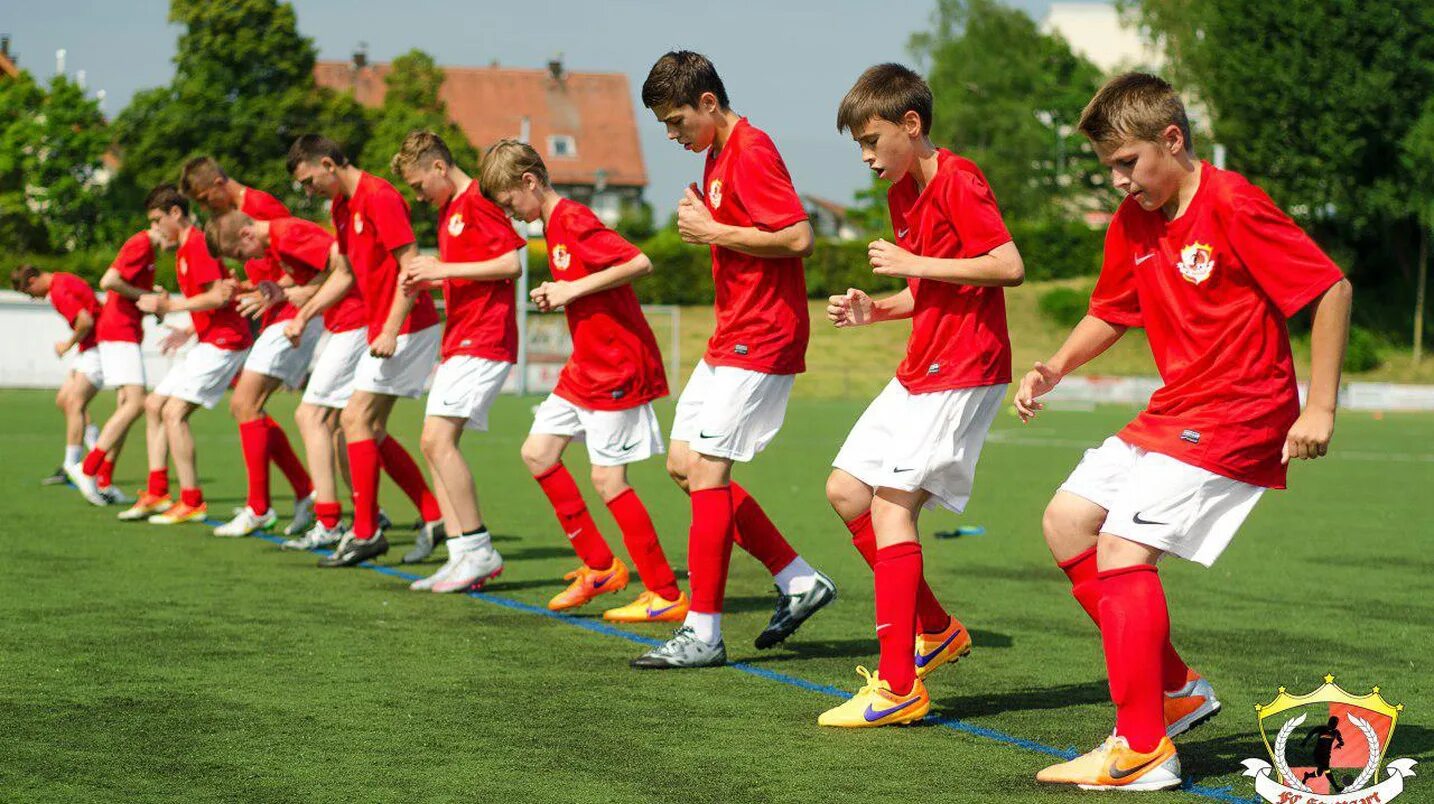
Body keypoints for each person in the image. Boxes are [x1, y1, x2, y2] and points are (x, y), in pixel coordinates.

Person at [1021, 73, 1352, 791]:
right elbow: (1113, 309)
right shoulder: (1133, 220)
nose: (1116, 181)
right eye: (1107, 166)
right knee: (1067, 522)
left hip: (1242, 410)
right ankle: (1174, 692)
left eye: (1126, 163)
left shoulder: (1233, 202)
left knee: (1122, 544)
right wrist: (1054, 367)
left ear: (1171, 141)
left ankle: (1143, 750)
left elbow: (1330, 288)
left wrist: (1318, 406)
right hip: (1178, 409)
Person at [818, 63, 1024, 727]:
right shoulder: (901, 193)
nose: (866, 156)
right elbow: (924, 292)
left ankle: (899, 686)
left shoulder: (958, 179)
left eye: (873, 140)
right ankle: (934, 630)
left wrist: (915, 265)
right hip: (923, 367)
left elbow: (1007, 265)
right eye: (858, 145)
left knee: (889, 506)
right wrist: (872, 310)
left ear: (912, 125)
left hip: (967, 367)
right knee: (847, 491)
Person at [481, 139, 690, 622]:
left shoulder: (572, 219)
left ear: (529, 182)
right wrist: (563, 293)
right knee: (537, 453)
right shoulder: (551, 226)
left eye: (513, 203)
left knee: (607, 478)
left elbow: (639, 262)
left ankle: (665, 592)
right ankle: (599, 567)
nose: (514, 214)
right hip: (586, 367)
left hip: (618, 367)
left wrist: (572, 288)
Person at [286, 134, 445, 568]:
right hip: (387, 327)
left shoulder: (379, 196)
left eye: (307, 181)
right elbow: (347, 275)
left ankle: (365, 530)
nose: (308, 190)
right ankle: (433, 516)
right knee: (364, 427)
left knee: (352, 418)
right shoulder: (342, 206)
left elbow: (410, 264)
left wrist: (391, 329)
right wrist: (305, 313)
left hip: (410, 325)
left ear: (327, 164)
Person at [390, 130, 522, 592]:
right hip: (461, 338)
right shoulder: (449, 209)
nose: (418, 196)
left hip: (485, 339)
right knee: (432, 443)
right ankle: (460, 553)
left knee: (438, 441)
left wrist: (441, 270)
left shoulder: (479, 202)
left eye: (418, 184)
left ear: (439, 168)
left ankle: (479, 549)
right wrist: (431, 277)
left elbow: (510, 264)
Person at [181, 157, 316, 538]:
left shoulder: (260, 209)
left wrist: (286, 298)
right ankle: (308, 494)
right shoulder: (241, 215)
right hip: (279, 309)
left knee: (247, 404)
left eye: (208, 199)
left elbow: (299, 262)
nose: (209, 208)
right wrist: (240, 287)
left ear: (221, 182)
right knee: (252, 406)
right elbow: (267, 274)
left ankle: (263, 507)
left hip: (293, 310)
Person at [133, 184, 253, 526]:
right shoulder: (184, 250)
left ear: (175, 214)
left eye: (158, 221)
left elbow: (218, 296)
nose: (155, 231)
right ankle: (157, 491)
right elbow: (211, 301)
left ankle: (192, 501)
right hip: (209, 338)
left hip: (225, 341)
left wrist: (170, 306)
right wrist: (188, 329)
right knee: (154, 405)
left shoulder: (198, 244)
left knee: (173, 413)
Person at [11, 266, 107, 496]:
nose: (34, 298)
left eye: (30, 293)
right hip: (90, 347)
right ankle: (97, 456)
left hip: (98, 347)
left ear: (33, 281)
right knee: (64, 400)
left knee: (74, 403)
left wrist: (67, 344)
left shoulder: (58, 291)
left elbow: (85, 322)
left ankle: (73, 465)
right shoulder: (62, 279)